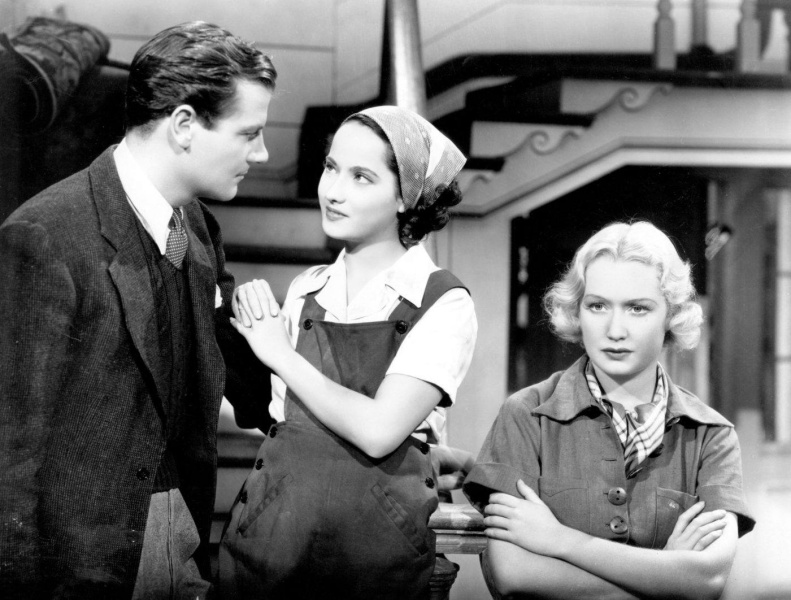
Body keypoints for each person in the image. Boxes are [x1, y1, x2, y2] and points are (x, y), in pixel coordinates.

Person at [0, 21, 277, 599]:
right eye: (249, 133)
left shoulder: (196, 224)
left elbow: (250, 389)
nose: (262, 152)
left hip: (182, 539)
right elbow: (10, 456)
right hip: (80, 568)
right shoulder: (45, 235)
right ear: (184, 125)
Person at [218, 105, 478, 599]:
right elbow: (285, 419)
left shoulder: (442, 301)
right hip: (273, 536)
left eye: (361, 177)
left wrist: (280, 354)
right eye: (331, 167)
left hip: (374, 552)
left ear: (406, 197)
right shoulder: (306, 289)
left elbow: (379, 432)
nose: (333, 191)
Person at [463, 221, 755, 600]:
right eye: (597, 306)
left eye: (637, 308)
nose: (615, 330)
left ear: (671, 315)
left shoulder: (711, 435)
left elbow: (707, 581)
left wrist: (560, 540)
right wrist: (667, 575)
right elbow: (513, 574)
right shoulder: (526, 415)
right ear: (577, 311)